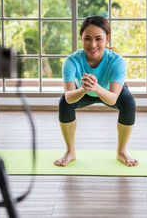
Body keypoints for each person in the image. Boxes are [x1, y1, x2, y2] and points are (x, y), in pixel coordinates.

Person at [54, 16, 138, 167]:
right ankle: (70, 151)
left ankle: (121, 151)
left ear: (107, 38)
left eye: (98, 39)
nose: (93, 44)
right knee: (64, 103)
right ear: (81, 39)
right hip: (83, 91)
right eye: (87, 38)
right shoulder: (71, 61)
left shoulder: (117, 61)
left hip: (107, 92)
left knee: (128, 102)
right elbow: (69, 97)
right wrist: (84, 89)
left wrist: (96, 87)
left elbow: (112, 99)